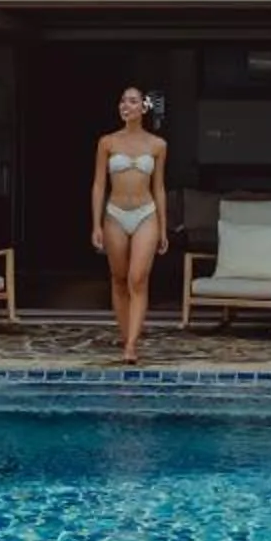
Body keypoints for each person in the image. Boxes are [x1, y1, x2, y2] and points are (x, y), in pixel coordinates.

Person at [90, 84, 167, 364]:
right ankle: (126, 336)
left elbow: (159, 188)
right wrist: (96, 224)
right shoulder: (107, 142)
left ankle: (132, 346)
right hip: (115, 215)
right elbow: (99, 185)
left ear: (143, 108)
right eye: (122, 101)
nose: (126, 105)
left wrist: (163, 225)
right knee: (119, 279)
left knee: (138, 278)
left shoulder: (158, 145)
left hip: (146, 213)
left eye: (132, 101)